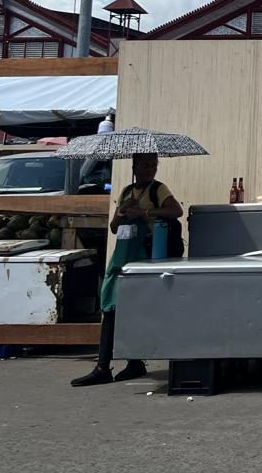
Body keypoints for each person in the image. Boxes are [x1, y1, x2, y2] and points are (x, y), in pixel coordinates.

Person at [71, 153, 182, 387]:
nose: (150, 169)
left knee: (133, 309)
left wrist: (145, 213)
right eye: (145, 165)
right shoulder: (126, 192)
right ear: (135, 167)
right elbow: (113, 228)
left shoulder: (158, 190)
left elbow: (175, 211)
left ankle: (124, 363)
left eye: (154, 165)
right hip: (122, 258)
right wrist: (122, 211)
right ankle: (110, 364)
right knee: (111, 306)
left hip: (145, 258)